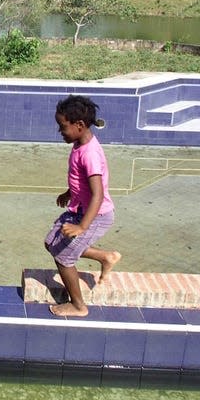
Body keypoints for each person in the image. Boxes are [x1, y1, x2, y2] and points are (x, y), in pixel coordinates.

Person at [45, 95, 122, 317]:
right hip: (81, 209)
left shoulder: (89, 154)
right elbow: (82, 181)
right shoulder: (80, 143)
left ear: (79, 125)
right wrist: (70, 192)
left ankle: (78, 306)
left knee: (64, 257)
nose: (60, 132)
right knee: (51, 242)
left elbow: (97, 195)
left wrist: (81, 228)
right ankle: (105, 257)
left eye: (63, 127)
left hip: (96, 215)